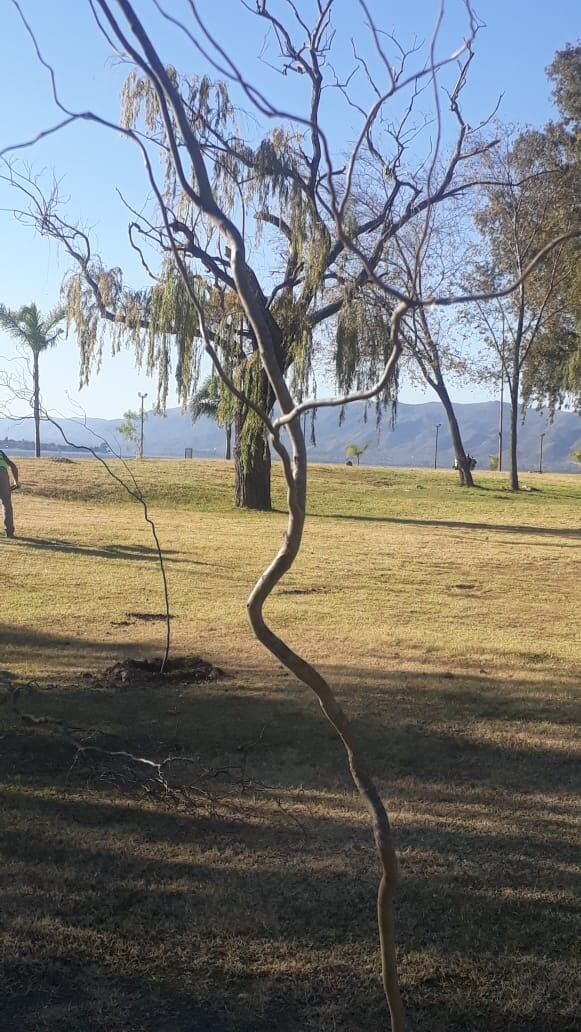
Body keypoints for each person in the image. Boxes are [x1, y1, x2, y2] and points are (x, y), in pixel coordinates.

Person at [0, 448, 19, 538]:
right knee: (6, 504)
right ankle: (9, 531)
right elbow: (13, 466)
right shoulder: (0, 452)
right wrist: (16, 482)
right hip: (2, 474)